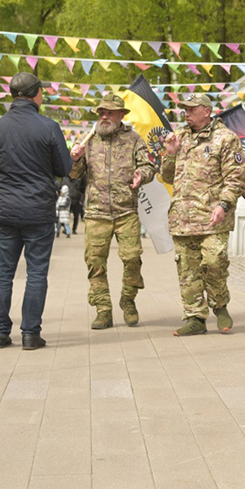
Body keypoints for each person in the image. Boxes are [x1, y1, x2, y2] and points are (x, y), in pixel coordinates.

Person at [0, 72, 72, 350]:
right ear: (35, 94)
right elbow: (64, 168)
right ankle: (31, 334)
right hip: (38, 210)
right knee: (36, 273)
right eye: (42, 92)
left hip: (7, 210)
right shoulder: (48, 127)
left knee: (2, 273)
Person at [162, 92, 245, 336]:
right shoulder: (179, 138)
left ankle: (220, 305)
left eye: (191, 109)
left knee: (214, 263)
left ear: (207, 111)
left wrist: (224, 205)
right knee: (187, 270)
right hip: (182, 218)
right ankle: (195, 318)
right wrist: (170, 153)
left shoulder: (225, 138)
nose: (186, 113)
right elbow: (167, 176)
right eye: (184, 109)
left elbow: (236, 178)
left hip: (213, 218)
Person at [69, 93, 156, 329]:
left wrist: (142, 175)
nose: (104, 116)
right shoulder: (89, 140)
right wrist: (75, 160)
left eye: (109, 112)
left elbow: (148, 166)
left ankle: (128, 300)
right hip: (96, 212)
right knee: (95, 262)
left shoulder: (134, 140)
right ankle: (103, 309)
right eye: (101, 112)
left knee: (132, 258)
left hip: (126, 211)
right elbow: (74, 174)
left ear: (121, 115)